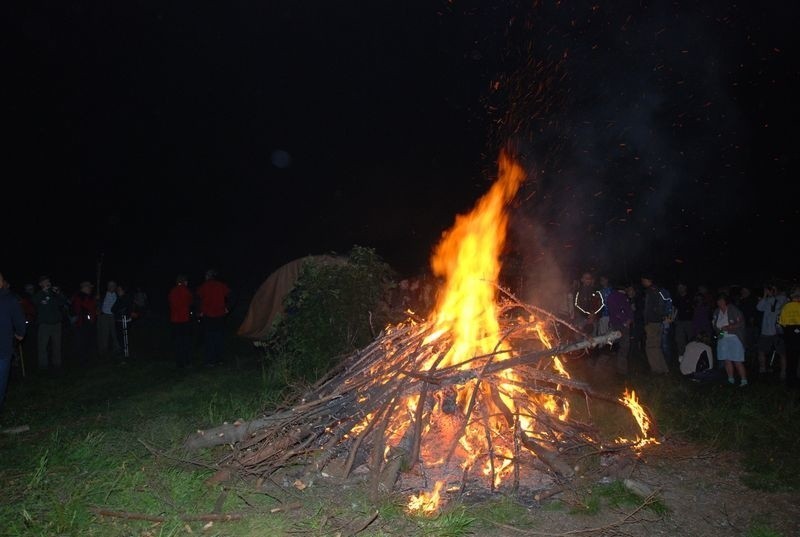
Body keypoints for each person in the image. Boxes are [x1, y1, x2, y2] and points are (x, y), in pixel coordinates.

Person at [1, 272, 26, 413]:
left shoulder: (10, 299)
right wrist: (20, 334)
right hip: (3, 350)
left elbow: (20, 321)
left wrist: (20, 333)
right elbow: (20, 323)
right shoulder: (9, 299)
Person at [32, 275, 67, 373]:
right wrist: (44, 292)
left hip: (56, 324)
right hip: (44, 325)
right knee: (43, 346)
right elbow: (34, 301)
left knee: (57, 345)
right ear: (40, 284)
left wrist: (59, 293)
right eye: (45, 281)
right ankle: (43, 366)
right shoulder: (38, 294)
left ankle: (57, 365)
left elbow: (63, 302)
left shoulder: (54, 293)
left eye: (48, 281)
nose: (48, 282)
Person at [196, 269, 231, 366]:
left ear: (208, 276)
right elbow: (228, 294)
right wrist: (225, 307)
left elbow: (199, 297)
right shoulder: (221, 285)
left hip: (208, 316)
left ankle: (210, 361)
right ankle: (219, 359)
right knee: (219, 337)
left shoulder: (204, 286)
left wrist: (200, 311)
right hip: (219, 315)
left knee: (209, 338)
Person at [712, 293, 748, 387]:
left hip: (734, 337)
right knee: (726, 360)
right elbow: (716, 326)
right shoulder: (716, 312)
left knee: (737, 360)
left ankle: (744, 381)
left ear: (725, 301)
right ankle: (730, 379)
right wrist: (720, 333)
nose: (720, 302)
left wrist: (730, 327)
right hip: (723, 337)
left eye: (721, 300)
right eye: (718, 301)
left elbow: (741, 323)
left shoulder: (733, 309)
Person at [756, 284, 788, 380]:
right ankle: (762, 369)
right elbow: (758, 307)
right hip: (765, 331)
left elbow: (782, 306)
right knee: (761, 351)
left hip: (777, 331)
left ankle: (783, 372)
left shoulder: (782, 298)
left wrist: (774, 295)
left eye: (773, 289)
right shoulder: (767, 300)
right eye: (770, 289)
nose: (771, 291)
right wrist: (765, 295)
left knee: (782, 353)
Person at [641, 274, 671, 375]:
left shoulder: (651, 291)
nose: (642, 282)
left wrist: (647, 321)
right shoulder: (658, 290)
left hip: (652, 322)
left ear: (647, 280)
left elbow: (649, 308)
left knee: (651, 347)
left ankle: (656, 369)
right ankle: (664, 369)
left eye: (643, 280)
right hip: (658, 322)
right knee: (657, 346)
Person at [606, 282, 633, 376]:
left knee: (619, 347)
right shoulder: (617, 297)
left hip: (619, 324)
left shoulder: (615, 296)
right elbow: (617, 311)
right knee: (623, 347)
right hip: (619, 325)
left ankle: (619, 369)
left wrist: (628, 320)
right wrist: (625, 321)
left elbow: (626, 310)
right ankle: (620, 371)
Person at [168, 274, 194, 368]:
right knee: (186, 341)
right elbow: (190, 302)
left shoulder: (172, 291)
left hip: (175, 320)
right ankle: (187, 361)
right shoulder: (186, 291)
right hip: (185, 320)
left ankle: (179, 362)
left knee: (178, 342)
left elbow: (170, 303)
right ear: (184, 281)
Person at [778, 288, 800, 388]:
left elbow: (781, 323)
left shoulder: (786, 307)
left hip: (789, 334)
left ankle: (790, 381)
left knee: (791, 358)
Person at [71, 281, 97, 365]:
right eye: (89, 287)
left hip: (89, 322)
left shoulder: (88, 296)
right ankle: (82, 360)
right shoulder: (79, 296)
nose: (90, 289)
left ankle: (87, 358)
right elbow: (82, 308)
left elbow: (92, 308)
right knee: (82, 341)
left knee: (88, 341)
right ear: (84, 288)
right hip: (82, 323)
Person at [574, 271, 603, 336]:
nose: (588, 279)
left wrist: (594, 314)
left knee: (593, 341)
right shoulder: (578, 291)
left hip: (593, 319)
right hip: (581, 319)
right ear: (582, 279)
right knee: (579, 340)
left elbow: (601, 304)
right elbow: (576, 305)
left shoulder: (596, 291)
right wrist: (587, 315)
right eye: (586, 278)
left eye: (589, 278)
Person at [111, 283, 134, 362]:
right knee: (120, 338)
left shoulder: (126, 298)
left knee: (125, 338)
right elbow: (113, 309)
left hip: (125, 321)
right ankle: (123, 352)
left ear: (123, 291)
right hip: (119, 321)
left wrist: (122, 311)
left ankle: (126, 354)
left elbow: (128, 309)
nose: (118, 291)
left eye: (119, 290)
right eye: (117, 290)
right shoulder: (119, 298)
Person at [97, 281, 120, 358]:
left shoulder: (117, 294)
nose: (111, 287)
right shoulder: (103, 294)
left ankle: (116, 348)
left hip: (113, 316)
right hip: (104, 315)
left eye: (113, 285)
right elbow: (97, 303)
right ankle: (104, 350)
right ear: (107, 286)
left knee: (114, 332)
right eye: (110, 285)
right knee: (104, 333)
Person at [673, 283, 694, 359]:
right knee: (679, 339)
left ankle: (692, 356)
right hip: (679, 322)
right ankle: (681, 357)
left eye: (681, 287)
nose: (680, 289)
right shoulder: (677, 298)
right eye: (679, 287)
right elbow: (674, 309)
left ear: (685, 287)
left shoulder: (690, 297)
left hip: (689, 321)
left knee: (691, 339)